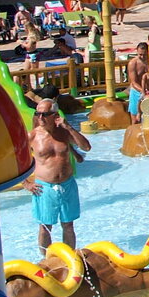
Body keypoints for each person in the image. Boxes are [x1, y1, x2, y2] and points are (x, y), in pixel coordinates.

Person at [21, 98, 92, 253]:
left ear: (55, 115)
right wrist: (26, 183)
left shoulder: (64, 132)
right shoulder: (32, 136)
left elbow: (86, 147)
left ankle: (69, 259)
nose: (40, 118)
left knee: (68, 225)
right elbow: (15, 160)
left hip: (67, 185)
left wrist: (69, 127)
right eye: (38, 114)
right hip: (44, 187)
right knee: (45, 227)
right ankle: (46, 261)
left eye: (44, 114)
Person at [126, 42, 149, 123]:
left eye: (144, 54)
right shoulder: (133, 63)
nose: (142, 56)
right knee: (135, 119)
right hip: (136, 91)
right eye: (140, 54)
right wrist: (143, 91)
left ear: (148, 52)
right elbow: (134, 82)